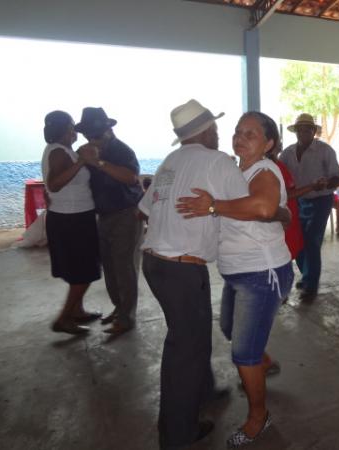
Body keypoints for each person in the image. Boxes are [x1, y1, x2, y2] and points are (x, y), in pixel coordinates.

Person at [176, 111, 293, 448]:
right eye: (238, 132)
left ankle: (259, 417)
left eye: (251, 134)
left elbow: (263, 208)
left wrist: (213, 207)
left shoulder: (264, 170)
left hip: (262, 272)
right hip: (238, 273)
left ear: (269, 144)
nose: (240, 138)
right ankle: (263, 360)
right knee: (230, 329)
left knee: (243, 354)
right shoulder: (236, 170)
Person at [139, 99, 248, 449]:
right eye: (215, 128)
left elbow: (144, 209)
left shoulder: (170, 162)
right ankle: (177, 434)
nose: (219, 133)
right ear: (207, 131)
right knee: (184, 350)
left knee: (194, 335)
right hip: (182, 268)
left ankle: (205, 391)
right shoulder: (218, 162)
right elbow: (246, 207)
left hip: (156, 263)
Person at [75, 107, 144, 335]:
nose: (90, 138)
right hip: (103, 215)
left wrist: (98, 163)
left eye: (94, 134)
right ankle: (119, 308)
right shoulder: (89, 151)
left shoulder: (121, 150)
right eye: (87, 134)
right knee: (110, 267)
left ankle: (126, 317)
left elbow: (131, 178)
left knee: (124, 267)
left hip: (126, 214)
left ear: (108, 130)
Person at [41, 111, 101, 335]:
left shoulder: (63, 151)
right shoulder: (58, 152)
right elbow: (55, 184)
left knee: (78, 270)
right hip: (71, 219)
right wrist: (82, 162)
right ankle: (64, 318)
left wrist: (80, 159)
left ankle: (78, 311)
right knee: (84, 272)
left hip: (72, 216)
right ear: (64, 129)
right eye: (71, 126)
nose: (74, 130)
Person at [279, 113, 339, 300]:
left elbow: (337, 177)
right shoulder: (288, 153)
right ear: (295, 131)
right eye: (299, 129)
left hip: (320, 201)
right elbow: (279, 174)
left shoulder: (325, 151)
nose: (303, 132)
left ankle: (311, 285)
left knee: (312, 242)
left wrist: (326, 183)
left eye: (307, 129)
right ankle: (307, 276)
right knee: (298, 241)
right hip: (297, 201)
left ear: (314, 131)